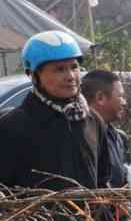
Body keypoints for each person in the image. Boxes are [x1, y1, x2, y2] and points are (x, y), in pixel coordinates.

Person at [0, 31, 113, 193]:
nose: (71, 76)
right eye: (59, 69)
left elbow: (103, 181)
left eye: (74, 67)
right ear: (34, 75)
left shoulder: (93, 121)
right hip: (36, 218)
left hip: (90, 218)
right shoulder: (12, 126)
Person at [81, 69, 129, 187]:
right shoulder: (82, 137)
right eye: (120, 96)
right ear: (100, 98)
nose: (124, 102)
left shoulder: (115, 135)